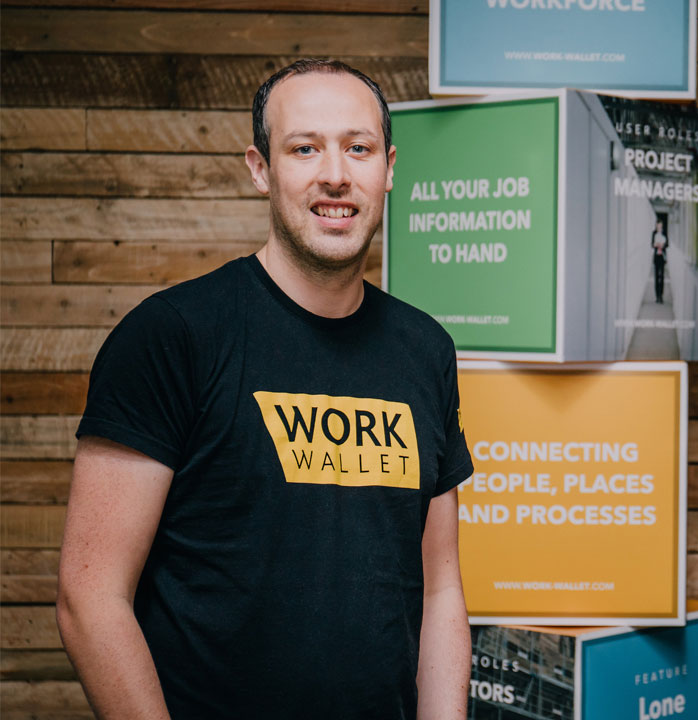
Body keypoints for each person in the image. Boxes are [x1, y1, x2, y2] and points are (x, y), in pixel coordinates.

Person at [56, 59, 473, 719]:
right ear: (260, 168)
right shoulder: (173, 335)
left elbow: (441, 588)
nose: (335, 173)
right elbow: (90, 598)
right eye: (304, 148)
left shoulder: (425, 351)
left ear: (388, 168)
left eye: (357, 148)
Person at [651, 219, 668, 303]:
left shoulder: (664, 233)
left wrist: (663, 245)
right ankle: (657, 296)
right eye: (658, 225)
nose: (659, 226)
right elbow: (652, 244)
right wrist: (656, 245)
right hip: (656, 257)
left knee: (662, 277)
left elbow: (667, 244)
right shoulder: (654, 233)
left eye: (660, 225)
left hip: (662, 257)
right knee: (656, 277)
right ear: (656, 225)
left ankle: (661, 295)